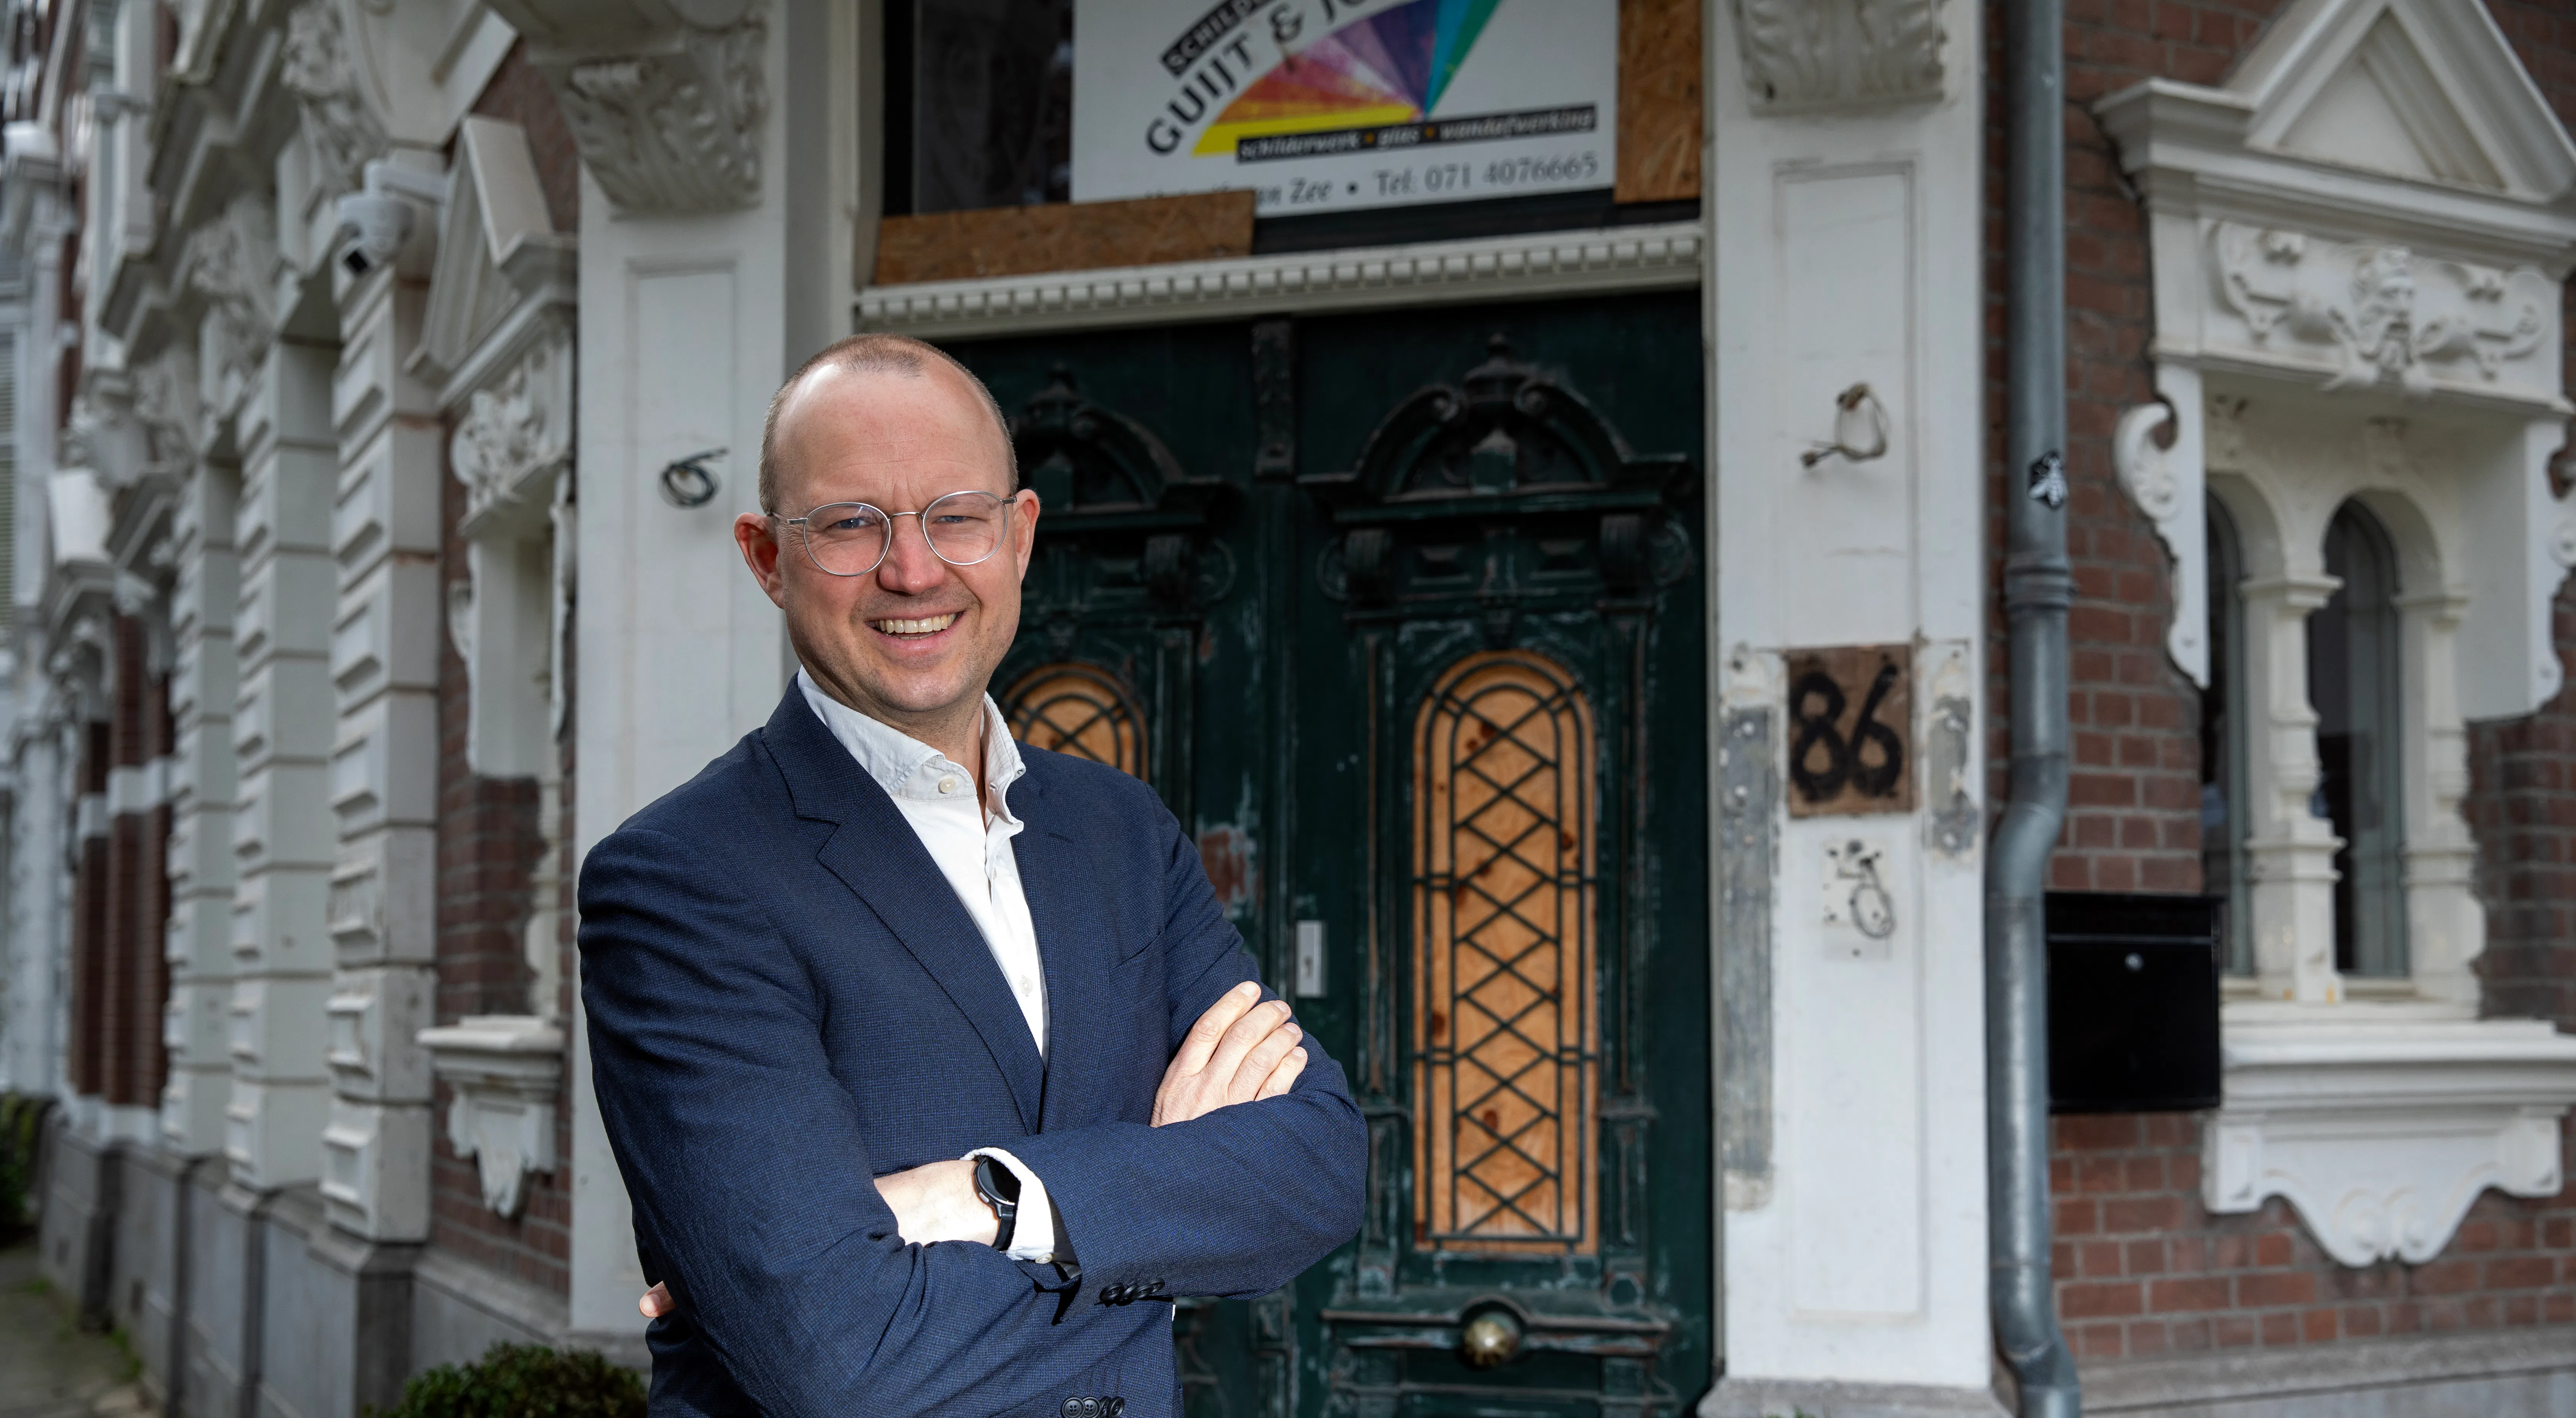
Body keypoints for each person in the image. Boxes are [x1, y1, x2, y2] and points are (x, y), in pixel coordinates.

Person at [577, 334, 1367, 1416]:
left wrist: (987, 1197)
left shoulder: (1120, 832)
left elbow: (1318, 1169)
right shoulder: (680, 882)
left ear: (1019, 535)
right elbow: (839, 1362)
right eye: (851, 524)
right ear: (767, 557)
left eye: (957, 516)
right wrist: (1160, 1208)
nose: (914, 568)